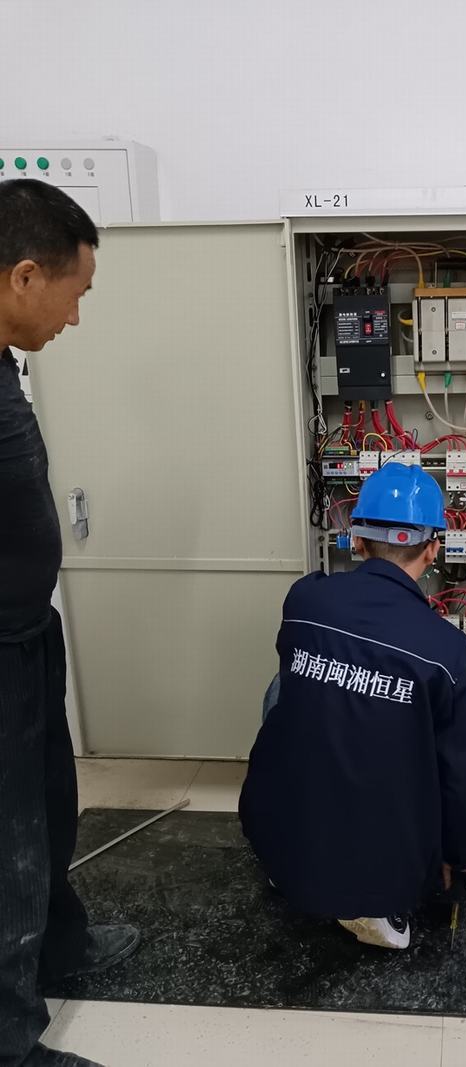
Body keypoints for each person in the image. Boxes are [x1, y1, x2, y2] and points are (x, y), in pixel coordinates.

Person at [0, 180, 140, 1067]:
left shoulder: (3, 360)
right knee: (8, 839)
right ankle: (11, 1042)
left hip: (28, 633)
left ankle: (61, 945)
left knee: (50, 805)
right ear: (24, 276)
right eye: (74, 293)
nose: (76, 316)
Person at [239, 461, 466, 950]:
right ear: (433, 548)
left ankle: (289, 851)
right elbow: (463, 778)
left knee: (285, 687)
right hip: (378, 867)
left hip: (273, 831)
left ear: (356, 540)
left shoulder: (304, 600)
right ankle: (373, 902)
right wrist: (463, 854)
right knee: (440, 742)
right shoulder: (448, 652)